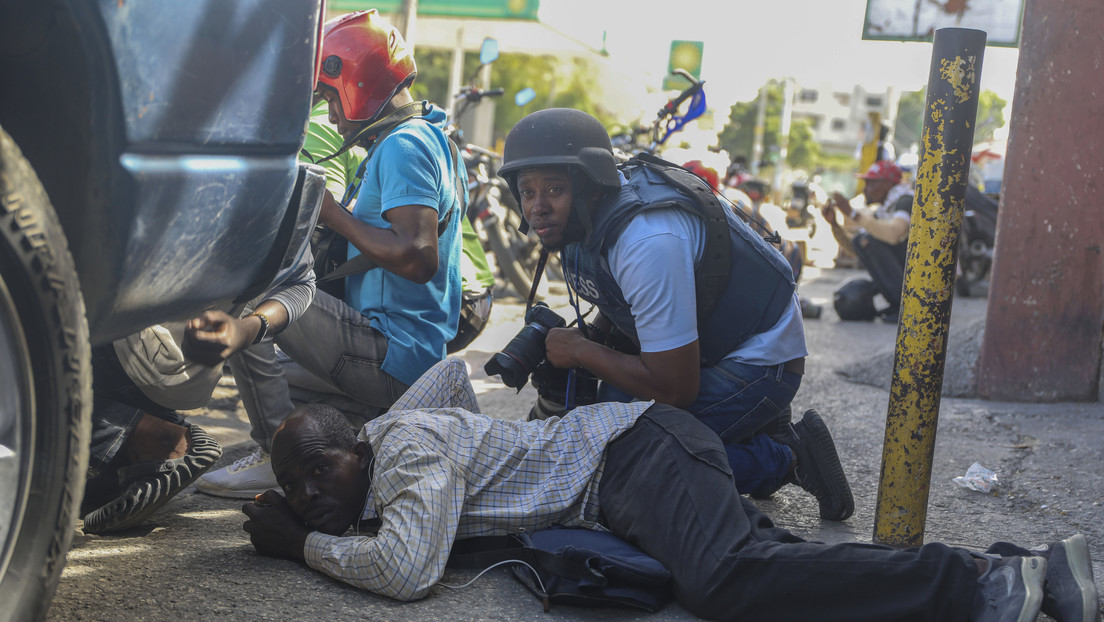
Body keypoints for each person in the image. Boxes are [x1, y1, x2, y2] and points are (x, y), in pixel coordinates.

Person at [241, 358, 1098, 622]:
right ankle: (1027, 571)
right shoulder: (393, 433)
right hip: (626, 465)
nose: (312, 492)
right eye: (296, 486)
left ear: (361, 448)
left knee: (725, 582)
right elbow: (450, 379)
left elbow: (407, 570)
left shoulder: (402, 456)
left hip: (632, 453)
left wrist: (301, 544)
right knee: (767, 567)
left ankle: (982, 587)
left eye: (321, 471)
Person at [493, 108, 852, 520]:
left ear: (591, 185)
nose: (537, 207)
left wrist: (580, 352)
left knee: (620, 468)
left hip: (758, 359)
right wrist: (595, 339)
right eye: (527, 192)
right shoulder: (582, 220)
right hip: (706, 344)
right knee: (593, 427)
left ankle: (787, 456)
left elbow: (675, 387)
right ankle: (751, 430)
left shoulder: (647, 241)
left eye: (553, 190)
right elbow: (621, 296)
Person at [196, 9, 464, 499]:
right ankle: (330, 432)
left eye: (328, 97)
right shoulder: (417, 137)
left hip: (392, 353)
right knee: (277, 380)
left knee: (250, 293)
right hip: (399, 357)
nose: (331, 113)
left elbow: (418, 257)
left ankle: (280, 460)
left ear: (356, 81)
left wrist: (332, 212)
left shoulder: (406, 145)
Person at [80, 244, 315, 534]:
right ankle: (131, 457)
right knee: (69, 489)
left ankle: (149, 440)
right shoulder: (293, 201)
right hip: (171, 366)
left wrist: (246, 330)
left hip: (121, 339)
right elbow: (301, 281)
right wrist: (248, 328)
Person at [822, 160, 914, 323]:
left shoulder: (905, 200)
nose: (865, 189)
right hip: (906, 268)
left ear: (887, 184)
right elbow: (857, 249)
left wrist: (853, 214)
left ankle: (906, 307)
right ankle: (898, 305)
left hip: (920, 275)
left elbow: (893, 234)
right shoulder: (884, 210)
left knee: (867, 240)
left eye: (870, 184)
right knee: (863, 241)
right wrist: (835, 225)